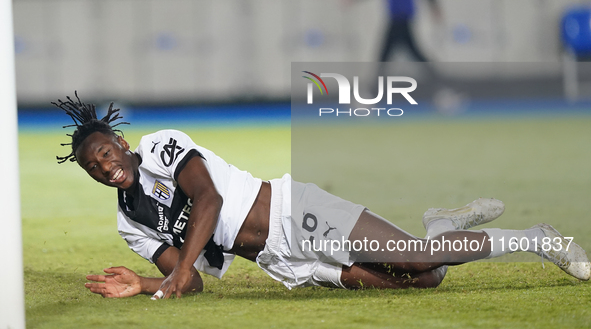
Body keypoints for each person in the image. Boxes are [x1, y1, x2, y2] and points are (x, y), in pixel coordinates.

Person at [53, 93, 590, 299]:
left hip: (297, 212)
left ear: (119, 143)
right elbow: (187, 281)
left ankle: (540, 239)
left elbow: (209, 202)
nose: (104, 167)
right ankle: (443, 225)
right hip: (284, 260)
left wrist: (170, 278)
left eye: (104, 153)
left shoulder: (161, 146)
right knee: (426, 278)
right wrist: (146, 281)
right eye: (92, 168)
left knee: (420, 259)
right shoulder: (130, 224)